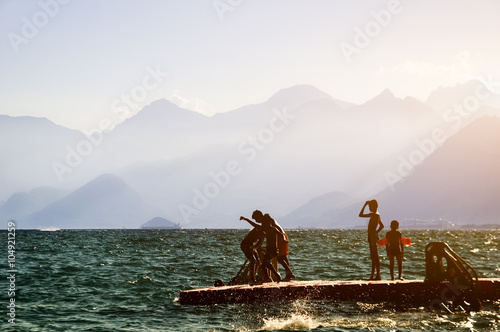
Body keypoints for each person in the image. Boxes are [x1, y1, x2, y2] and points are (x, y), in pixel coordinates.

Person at [240, 210, 286, 282]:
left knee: (259, 262)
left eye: (256, 219)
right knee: (256, 261)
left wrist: (283, 239)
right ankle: (255, 279)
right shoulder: (263, 228)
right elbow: (255, 226)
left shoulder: (266, 229)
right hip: (246, 245)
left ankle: (267, 277)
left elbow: (260, 242)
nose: (256, 221)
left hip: (266, 248)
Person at [264, 214, 296, 281]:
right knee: (283, 257)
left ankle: (289, 273)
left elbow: (279, 231)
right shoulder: (272, 221)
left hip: (280, 239)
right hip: (282, 238)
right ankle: (288, 273)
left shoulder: (272, 223)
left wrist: (283, 239)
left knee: (279, 257)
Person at [359, 199, 384, 280]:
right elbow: (382, 226)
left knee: (375, 256)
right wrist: (376, 232)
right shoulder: (377, 215)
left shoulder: (374, 215)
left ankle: (377, 275)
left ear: (374, 206)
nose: (369, 208)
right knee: (373, 256)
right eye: (369, 207)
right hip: (372, 235)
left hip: (372, 236)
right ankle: (373, 275)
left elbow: (360, 215)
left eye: (370, 207)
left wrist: (365, 205)